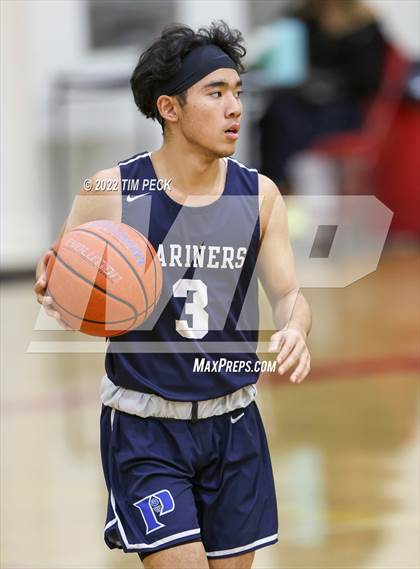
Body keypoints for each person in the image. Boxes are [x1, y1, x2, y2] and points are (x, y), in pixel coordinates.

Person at [34, 21, 312, 569]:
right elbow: (60, 276)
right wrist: (55, 294)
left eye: (238, 92)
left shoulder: (259, 195)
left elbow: (288, 294)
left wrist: (295, 327)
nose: (234, 108)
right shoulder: (113, 190)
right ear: (170, 108)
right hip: (147, 429)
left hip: (234, 425)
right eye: (215, 92)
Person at [259, 0, 386, 185]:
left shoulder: (364, 26)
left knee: (287, 123)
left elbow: (370, 81)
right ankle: (270, 183)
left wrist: (329, 85)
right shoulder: (303, 17)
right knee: (276, 111)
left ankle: (279, 184)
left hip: (346, 107)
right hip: (305, 99)